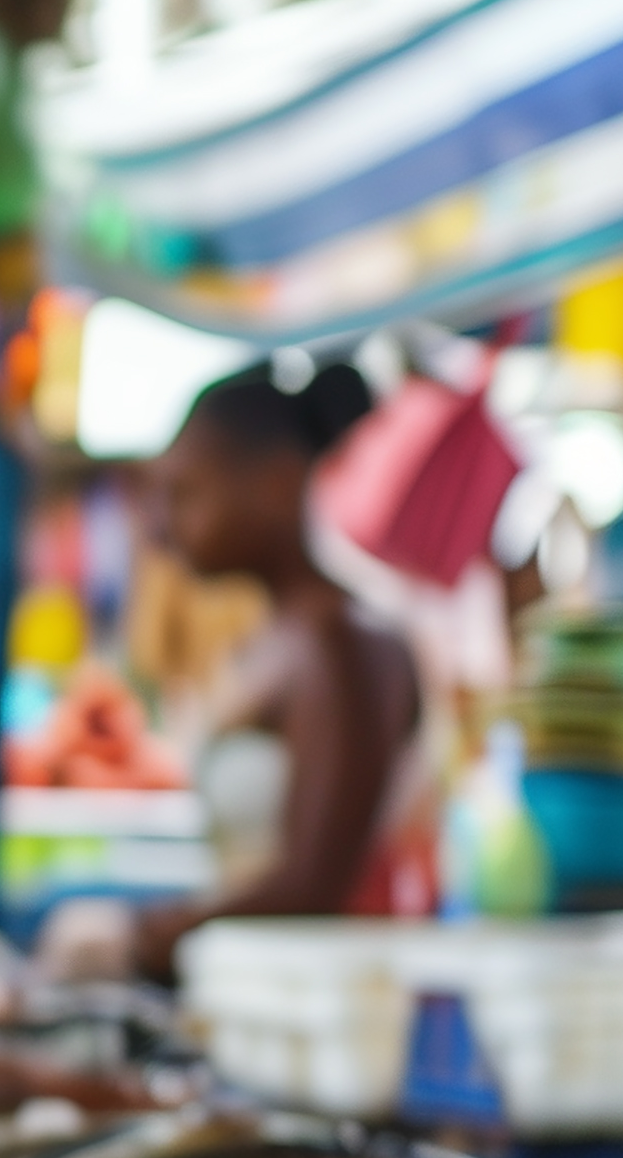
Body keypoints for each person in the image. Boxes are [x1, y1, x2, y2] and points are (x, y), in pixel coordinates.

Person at [54, 363, 419, 981]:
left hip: (324, 1010)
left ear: (277, 483)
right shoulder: (281, 638)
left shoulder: (340, 644)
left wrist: (138, 937)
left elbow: (312, 889)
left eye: (187, 493)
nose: (164, 526)